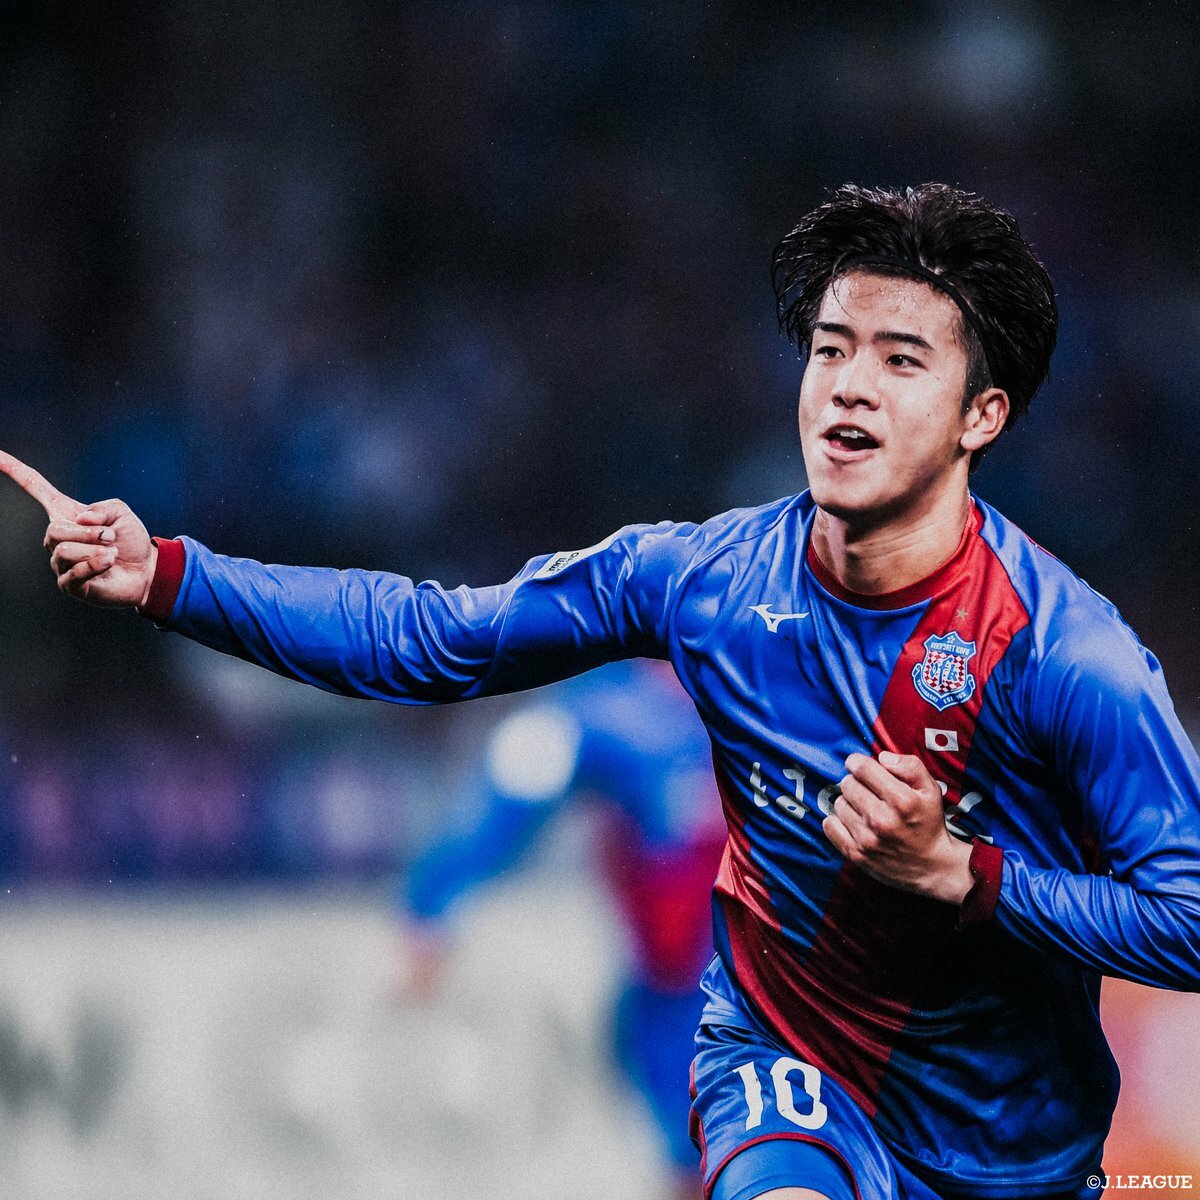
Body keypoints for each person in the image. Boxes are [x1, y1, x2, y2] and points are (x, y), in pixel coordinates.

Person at [5, 181, 1199, 1200]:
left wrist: (964, 877)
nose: (848, 387)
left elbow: (1188, 922)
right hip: (785, 1072)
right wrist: (171, 575)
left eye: (900, 360)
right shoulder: (704, 583)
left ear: (983, 414)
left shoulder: (1066, 656)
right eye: (831, 349)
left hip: (1014, 1147)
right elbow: (431, 638)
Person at [396, 659, 725, 1199]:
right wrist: (431, 904)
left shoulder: (797, 689)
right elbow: (523, 770)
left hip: (806, 989)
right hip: (688, 1004)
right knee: (705, 1162)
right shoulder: (621, 715)